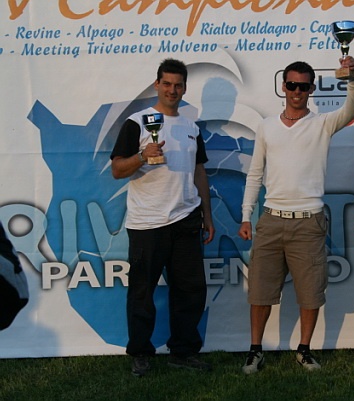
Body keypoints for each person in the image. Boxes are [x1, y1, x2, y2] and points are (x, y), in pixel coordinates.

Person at [238, 58, 354, 374]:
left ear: (311, 89)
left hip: (309, 221)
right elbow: (255, 174)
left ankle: (304, 350)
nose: (297, 91)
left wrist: (353, 80)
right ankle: (255, 350)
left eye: (303, 86)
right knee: (260, 291)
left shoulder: (322, 124)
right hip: (271, 218)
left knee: (310, 292)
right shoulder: (267, 126)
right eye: (292, 85)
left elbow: (350, 110)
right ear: (283, 87)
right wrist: (246, 215)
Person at [111, 58, 214, 377]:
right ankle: (140, 353)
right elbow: (117, 170)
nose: (172, 90)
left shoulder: (191, 127)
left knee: (191, 291)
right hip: (148, 223)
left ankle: (183, 352)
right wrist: (143, 156)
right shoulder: (137, 123)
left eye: (178, 85)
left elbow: (199, 171)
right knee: (142, 293)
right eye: (166, 84)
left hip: (186, 219)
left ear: (185, 88)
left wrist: (207, 215)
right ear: (157, 85)